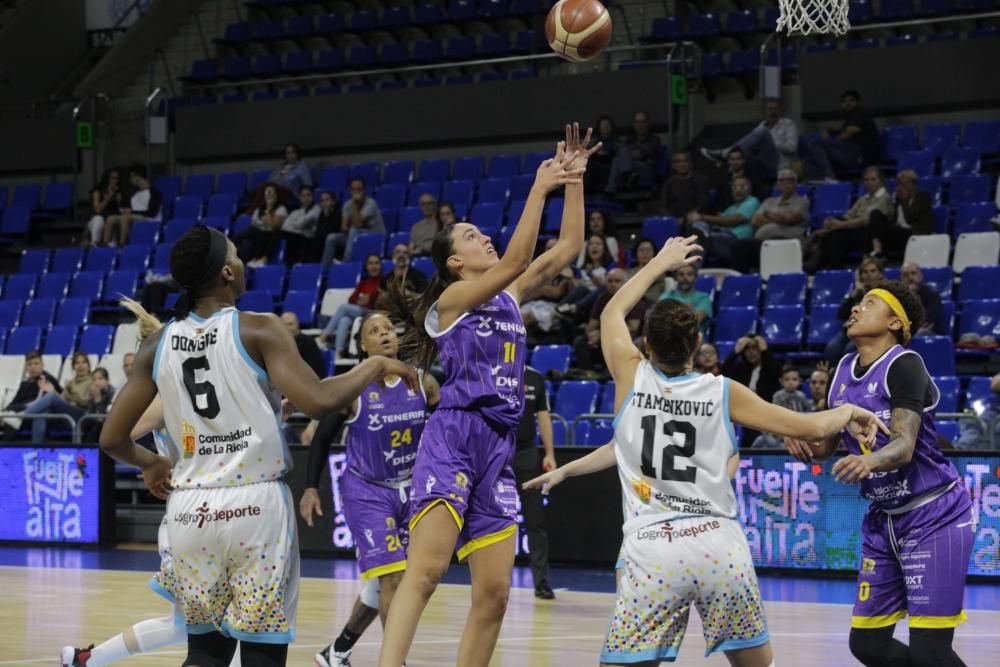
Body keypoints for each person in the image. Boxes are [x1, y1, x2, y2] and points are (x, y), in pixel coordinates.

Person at [524, 235, 886, 667]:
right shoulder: (724, 391)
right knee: (757, 662)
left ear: (648, 347)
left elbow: (613, 311)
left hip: (654, 548)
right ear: (697, 344)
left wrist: (660, 261)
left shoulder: (630, 375)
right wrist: (849, 410)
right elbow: (811, 426)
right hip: (719, 547)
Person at [97, 225, 416, 667]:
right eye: (236, 255)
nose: (243, 262)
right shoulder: (259, 328)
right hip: (256, 510)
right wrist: (376, 363)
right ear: (228, 273)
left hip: (190, 511)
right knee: (262, 654)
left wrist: (152, 464)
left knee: (206, 653)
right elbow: (319, 399)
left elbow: (111, 438)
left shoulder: (157, 344)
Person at [377, 123, 597, 667]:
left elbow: (567, 248)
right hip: (453, 435)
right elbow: (517, 261)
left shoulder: (509, 294)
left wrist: (574, 180)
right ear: (455, 262)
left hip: (498, 446)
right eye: (472, 236)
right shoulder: (451, 300)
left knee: (495, 593)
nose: (484, 238)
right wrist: (538, 187)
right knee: (425, 571)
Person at [785, 280, 975, 667]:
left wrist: (869, 462)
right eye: (857, 303)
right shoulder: (840, 370)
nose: (855, 309)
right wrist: (807, 445)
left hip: (934, 513)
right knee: (867, 645)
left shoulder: (904, 364)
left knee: (930, 650)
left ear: (894, 322)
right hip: (884, 520)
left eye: (869, 303)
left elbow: (904, 446)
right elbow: (831, 445)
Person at [62, 298, 243, 667]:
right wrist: (154, 462)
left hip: (216, 512)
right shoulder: (165, 397)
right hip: (191, 515)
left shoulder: (200, 388)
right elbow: (118, 433)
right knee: (205, 624)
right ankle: (86, 660)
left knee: (194, 623)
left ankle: (85, 660)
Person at [301, 311, 441, 667]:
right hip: (367, 491)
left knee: (385, 582)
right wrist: (310, 488)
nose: (383, 334)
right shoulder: (353, 387)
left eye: (388, 329)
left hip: (411, 489)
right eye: (373, 331)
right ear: (362, 345)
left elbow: (445, 430)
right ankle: (395, 662)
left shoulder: (424, 383)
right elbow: (320, 441)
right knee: (393, 576)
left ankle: (337, 650)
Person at [511, 366, 557, 600]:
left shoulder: (535, 377)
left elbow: (543, 416)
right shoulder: (490, 370)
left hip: (527, 452)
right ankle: (491, 579)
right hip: (498, 450)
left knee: (535, 519)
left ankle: (541, 581)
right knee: (494, 519)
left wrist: (549, 453)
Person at [811, 166, 893, 270]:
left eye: (873, 179)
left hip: (870, 236)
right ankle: (830, 265)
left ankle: (832, 266)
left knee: (834, 236)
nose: (869, 182)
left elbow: (866, 220)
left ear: (881, 181)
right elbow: (848, 215)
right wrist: (833, 223)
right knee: (835, 226)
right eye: (867, 180)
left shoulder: (884, 198)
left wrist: (840, 225)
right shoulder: (864, 198)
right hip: (855, 230)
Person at [701, 99, 800, 178]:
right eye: (770, 109)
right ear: (766, 111)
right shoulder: (761, 125)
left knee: (763, 132)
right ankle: (730, 161)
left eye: (775, 109)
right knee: (749, 148)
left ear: (780, 111)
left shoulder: (788, 124)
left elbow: (792, 147)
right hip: (761, 163)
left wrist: (771, 142)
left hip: (779, 164)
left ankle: (726, 153)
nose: (773, 112)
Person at [573, 269, 644, 378]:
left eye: (617, 281)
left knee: (617, 345)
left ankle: (610, 376)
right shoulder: (602, 298)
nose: (613, 284)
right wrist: (591, 336)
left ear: (625, 283)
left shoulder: (634, 299)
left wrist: (602, 335)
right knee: (580, 342)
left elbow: (633, 328)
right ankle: (590, 374)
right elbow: (591, 325)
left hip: (624, 340)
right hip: (602, 340)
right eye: (610, 281)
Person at [804, 89, 881, 180]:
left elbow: (850, 132)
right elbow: (840, 130)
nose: (847, 103)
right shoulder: (849, 118)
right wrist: (828, 131)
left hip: (860, 155)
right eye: (844, 101)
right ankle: (822, 186)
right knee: (809, 160)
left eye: (851, 101)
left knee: (816, 143)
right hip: (848, 154)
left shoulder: (860, 113)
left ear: (858, 102)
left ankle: (829, 177)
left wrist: (833, 143)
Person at [722, 334, 783, 447]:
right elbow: (724, 372)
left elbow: (778, 373)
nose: (751, 352)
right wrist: (735, 351)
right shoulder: (740, 368)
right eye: (747, 348)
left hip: (766, 410)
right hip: (743, 411)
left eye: (755, 348)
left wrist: (765, 350)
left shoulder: (768, 368)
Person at [319, 254, 384, 357]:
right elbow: (351, 299)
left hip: (374, 313)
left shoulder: (383, 282)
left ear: (381, 266)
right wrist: (359, 301)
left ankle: (324, 336)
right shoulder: (363, 283)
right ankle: (338, 352)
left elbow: (378, 299)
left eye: (376, 263)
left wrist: (369, 299)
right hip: (360, 312)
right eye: (371, 263)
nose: (373, 266)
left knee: (343, 307)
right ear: (366, 266)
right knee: (344, 320)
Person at [686, 176, 761, 265]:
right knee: (699, 226)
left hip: (736, 241)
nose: (738, 190)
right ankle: (703, 235)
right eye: (735, 187)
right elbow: (719, 222)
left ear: (750, 189)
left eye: (742, 187)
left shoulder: (752, 202)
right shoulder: (731, 208)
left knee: (699, 239)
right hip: (721, 237)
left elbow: (730, 221)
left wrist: (701, 217)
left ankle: (692, 269)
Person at [825, 256, 886, 364]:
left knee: (849, 350)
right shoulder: (857, 292)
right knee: (832, 348)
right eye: (865, 272)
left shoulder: (884, 292)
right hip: (849, 331)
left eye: (873, 271)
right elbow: (841, 314)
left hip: (869, 333)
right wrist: (853, 296)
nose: (868, 275)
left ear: (880, 274)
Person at [23, 351, 92, 443]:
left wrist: (72, 392)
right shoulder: (71, 382)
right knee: (41, 415)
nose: (80, 366)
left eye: (84, 362)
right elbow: (62, 400)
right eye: (77, 363)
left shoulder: (92, 381)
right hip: (66, 415)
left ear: (88, 365)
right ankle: (37, 449)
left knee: (51, 396)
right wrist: (53, 391)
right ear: (73, 367)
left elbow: (86, 403)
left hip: (82, 415)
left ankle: (21, 416)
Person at [869, 170, 934, 259]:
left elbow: (910, 219)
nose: (903, 187)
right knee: (875, 215)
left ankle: (880, 255)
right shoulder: (898, 199)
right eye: (900, 184)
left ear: (914, 185)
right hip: (898, 232)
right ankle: (877, 252)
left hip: (914, 234)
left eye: (906, 183)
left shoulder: (922, 197)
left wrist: (904, 201)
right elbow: (894, 219)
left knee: (884, 231)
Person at [1, 352, 61, 439]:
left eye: (36, 364)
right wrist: (6, 412)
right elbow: (14, 401)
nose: (33, 367)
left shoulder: (47, 380)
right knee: (10, 419)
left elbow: (42, 403)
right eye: (30, 364)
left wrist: (8, 414)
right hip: (19, 414)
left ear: (42, 365)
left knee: (12, 421)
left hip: (36, 414)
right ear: (26, 367)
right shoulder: (24, 383)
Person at [752, 365, 814, 448]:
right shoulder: (778, 396)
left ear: (799, 381)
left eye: (794, 379)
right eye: (787, 379)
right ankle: (747, 457)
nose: (791, 382)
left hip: (798, 439)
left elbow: (809, 413)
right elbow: (774, 416)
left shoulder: (802, 396)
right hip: (780, 438)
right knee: (761, 439)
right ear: (781, 381)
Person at [327, 178, 386, 263]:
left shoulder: (371, 203)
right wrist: (350, 229)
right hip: (355, 235)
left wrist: (355, 204)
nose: (356, 192)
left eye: (359, 189)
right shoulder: (347, 204)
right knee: (331, 238)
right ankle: (326, 269)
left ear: (364, 190)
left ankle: (346, 262)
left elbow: (357, 224)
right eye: (353, 189)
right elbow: (343, 228)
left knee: (354, 230)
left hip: (375, 235)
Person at [102, 165, 163, 246]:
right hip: (136, 219)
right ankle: (106, 245)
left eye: (131, 176)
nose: (130, 180)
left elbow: (152, 213)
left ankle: (122, 245)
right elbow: (128, 211)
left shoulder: (154, 193)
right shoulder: (135, 196)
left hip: (151, 220)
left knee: (126, 217)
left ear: (137, 177)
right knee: (111, 218)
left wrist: (131, 212)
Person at [606, 111, 661, 194]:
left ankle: (615, 186)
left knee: (620, 156)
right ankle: (627, 176)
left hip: (646, 171)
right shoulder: (630, 140)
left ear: (647, 123)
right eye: (638, 122)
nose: (640, 125)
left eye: (643, 122)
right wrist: (627, 155)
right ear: (634, 124)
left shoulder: (654, 139)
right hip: (633, 172)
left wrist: (627, 155)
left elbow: (641, 154)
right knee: (617, 160)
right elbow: (620, 152)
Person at [235, 183, 288, 268]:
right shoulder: (258, 209)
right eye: (267, 193)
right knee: (246, 243)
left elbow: (271, 226)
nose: (269, 195)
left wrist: (269, 208)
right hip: (256, 234)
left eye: (271, 193)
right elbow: (254, 224)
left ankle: (231, 243)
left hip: (269, 235)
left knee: (254, 231)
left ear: (276, 195)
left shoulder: (281, 209)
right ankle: (245, 266)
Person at [751, 169, 810, 241]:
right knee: (741, 245)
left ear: (796, 183)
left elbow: (790, 219)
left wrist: (766, 214)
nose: (786, 183)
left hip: (789, 240)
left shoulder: (803, 201)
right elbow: (754, 221)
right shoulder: (768, 201)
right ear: (777, 184)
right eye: (782, 180)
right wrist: (781, 220)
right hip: (763, 241)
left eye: (790, 180)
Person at [659, 263, 712, 335]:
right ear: (675, 278)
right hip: (668, 337)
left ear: (696, 278)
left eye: (689, 274)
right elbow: (660, 318)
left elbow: (695, 319)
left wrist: (673, 314)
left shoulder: (703, 297)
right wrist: (687, 312)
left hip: (693, 338)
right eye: (681, 274)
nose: (685, 278)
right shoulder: (666, 296)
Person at [709, 147, 765, 211]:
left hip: (747, 211)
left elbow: (760, 197)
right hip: (726, 214)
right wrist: (719, 212)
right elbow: (718, 200)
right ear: (728, 161)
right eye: (732, 159)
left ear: (744, 160)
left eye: (739, 159)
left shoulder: (753, 177)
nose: (736, 162)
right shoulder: (724, 180)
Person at [660, 150, 710, 219]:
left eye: (685, 161)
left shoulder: (700, 180)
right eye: (678, 162)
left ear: (690, 164)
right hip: (674, 219)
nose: (682, 164)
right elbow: (664, 206)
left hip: (695, 218)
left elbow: (702, 205)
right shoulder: (669, 183)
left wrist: (685, 218)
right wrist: (671, 219)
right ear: (673, 165)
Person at [956, 372, 1000, 450]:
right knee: (970, 420)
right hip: (994, 411)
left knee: (996, 428)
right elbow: (995, 383)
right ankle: (960, 451)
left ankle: (961, 451)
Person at [901, 262, 945, 335]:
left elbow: (925, 321)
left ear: (920, 275)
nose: (910, 277)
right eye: (905, 275)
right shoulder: (900, 296)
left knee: (918, 333)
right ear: (901, 279)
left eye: (913, 273)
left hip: (933, 334)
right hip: (908, 331)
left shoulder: (932, 294)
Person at [281, 185, 320, 266]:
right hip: (296, 237)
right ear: (300, 197)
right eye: (303, 196)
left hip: (308, 239)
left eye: (308, 195)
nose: (306, 198)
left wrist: (294, 225)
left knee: (283, 234)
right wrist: (300, 227)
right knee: (280, 233)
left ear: (313, 196)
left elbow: (302, 224)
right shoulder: (296, 212)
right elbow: (285, 226)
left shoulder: (317, 209)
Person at [86, 168, 123, 247]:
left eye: (117, 179)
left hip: (110, 222)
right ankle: (94, 244)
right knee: (98, 219)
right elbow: (97, 210)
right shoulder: (97, 191)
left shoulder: (118, 193)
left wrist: (118, 200)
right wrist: (107, 199)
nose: (115, 181)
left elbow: (118, 211)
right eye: (113, 178)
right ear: (107, 178)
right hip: (98, 220)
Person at [280, 311, 324, 377]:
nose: (287, 328)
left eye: (290, 324)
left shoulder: (308, 342)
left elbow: (312, 371)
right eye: (284, 325)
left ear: (297, 325)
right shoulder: (277, 343)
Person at [80, 367, 116, 443]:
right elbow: (90, 413)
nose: (96, 382)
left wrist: (98, 400)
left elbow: (106, 416)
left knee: (96, 427)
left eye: (100, 379)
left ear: (107, 381)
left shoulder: (112, 392)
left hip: (110, 424)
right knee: (85, 423)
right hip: (96, 422)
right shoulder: (93, 392)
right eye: (94, 379)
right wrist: (91, 399)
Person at [625, 238, 666, 303]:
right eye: (641, 250)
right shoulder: (628, 273)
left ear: (654, 254)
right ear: (636, 253)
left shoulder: (660, 272)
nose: (645, 252)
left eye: (648, 250)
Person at [314, 190, 342, 264]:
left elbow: (333, 230)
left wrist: (327, 217)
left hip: (335, 246)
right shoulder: (322, 214)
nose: (324, 203)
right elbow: (318, 231)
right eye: (322, 200)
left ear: (333, 201)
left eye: (327, 200)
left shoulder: (338, 213)